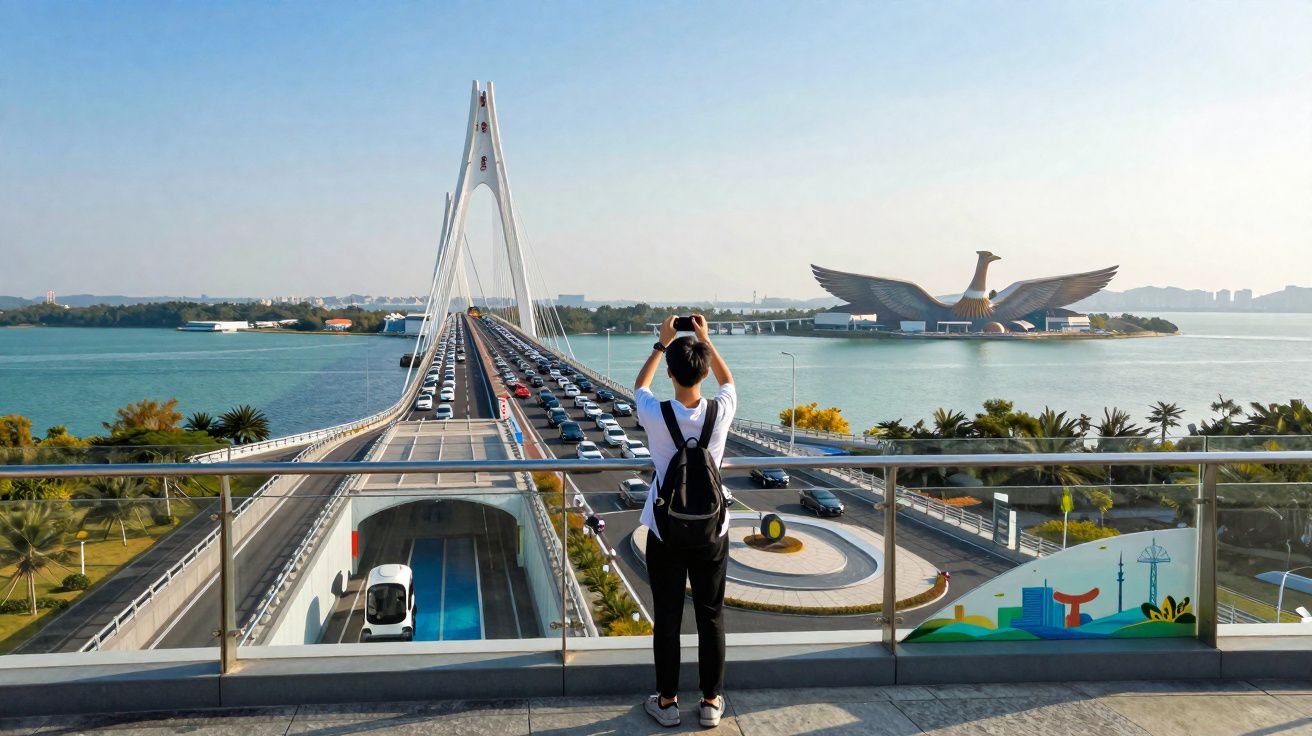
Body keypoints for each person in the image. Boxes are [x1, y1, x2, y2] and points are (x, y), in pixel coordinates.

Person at [633, 314, 736, 728]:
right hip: (713, 530)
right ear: (705, 369)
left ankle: (668, 702)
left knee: (669, 619)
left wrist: (661, 343)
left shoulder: (655, 413)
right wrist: (706, 339)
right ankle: (711, 702)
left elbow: (639, 386)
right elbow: (728, 384)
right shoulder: (720, 411)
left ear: (672, 373)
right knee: (711, 616)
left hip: (666, 531)